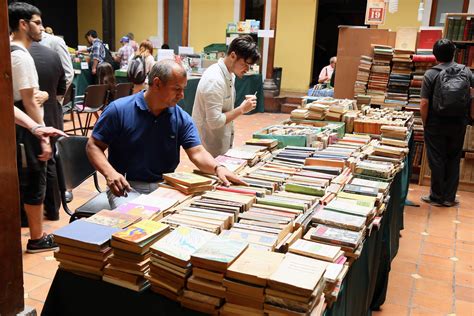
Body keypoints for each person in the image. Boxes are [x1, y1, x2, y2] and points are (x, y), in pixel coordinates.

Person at [86, 60, 246, 209]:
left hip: (166, 185)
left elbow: (197, 153)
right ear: (157, 83)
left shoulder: (181, 117)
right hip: (127, 187)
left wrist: (218, 168)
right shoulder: (119, 110)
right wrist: (110, 173)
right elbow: (93, 146)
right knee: (136, 225)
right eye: (177, 89)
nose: (182, 95)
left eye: (183, 89)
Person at [9, 1, 59, 252]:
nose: (41, 28)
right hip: (27, 132)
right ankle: (37, 238)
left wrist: (44, 96)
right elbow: (29, 101)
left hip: (23, 129)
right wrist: (42, 135)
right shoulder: (20, 57)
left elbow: (33, 95)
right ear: (22, 24)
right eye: (37, 23)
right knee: (34, 181)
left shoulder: (14, 53)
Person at [420, 39, 474, 207]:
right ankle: (449, 197)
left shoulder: (431, 74)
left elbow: (424, 103)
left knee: (436, 158)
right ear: (454, 53)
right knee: (453, 158)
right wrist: (469, 118)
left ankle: (436, 196)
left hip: (436, 122)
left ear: (435, 54)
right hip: (458, 122)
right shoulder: (467, 72)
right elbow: (472, 98)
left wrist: (425, 122)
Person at [192, 35, 260, 157]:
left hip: (220, 142)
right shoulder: (215, 80)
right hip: (207, 148)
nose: (247, 69)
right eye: (246, 64)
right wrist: (242, 109)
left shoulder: (230, 74)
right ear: (233, 56)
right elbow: (215, 122)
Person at [29, 41, 67, 221]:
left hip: (28, 118)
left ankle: (25, 216)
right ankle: (53, 209)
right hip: (52, 113)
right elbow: (62, 87)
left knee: (31, 163)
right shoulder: (52, 54)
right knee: (51, 161)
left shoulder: (16, 54)